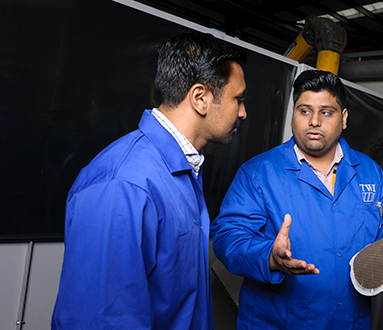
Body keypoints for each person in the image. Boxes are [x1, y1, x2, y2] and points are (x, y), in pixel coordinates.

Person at [51, 31, 247, 329]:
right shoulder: (124, 183)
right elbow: (102, 319)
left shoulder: (180, 169)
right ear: (200, 98)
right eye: (238, 99)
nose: (243, 112)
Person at [211, 69, 383, 329]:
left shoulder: (369, 171)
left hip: (352, 322)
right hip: (278, 322)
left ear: (343, 118)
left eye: (326, 112)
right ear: (292, 117)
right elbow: (227, 238)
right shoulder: (258, 173)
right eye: (304, 111)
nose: (314, 121)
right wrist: (269, 258)